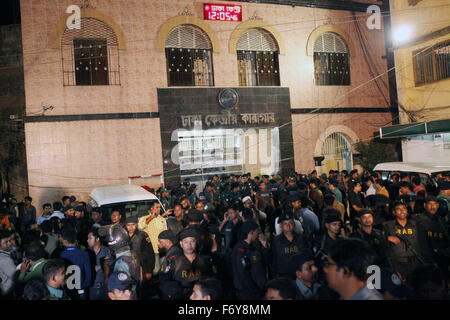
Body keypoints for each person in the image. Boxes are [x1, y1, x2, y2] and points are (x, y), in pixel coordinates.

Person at [383, 201, 433, 283]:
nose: (402, 211)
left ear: (407, 211)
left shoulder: (416, 224)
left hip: (416, 262)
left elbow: (424, 244)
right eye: (398, 209)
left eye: (404, 209)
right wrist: (387, 237)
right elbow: (384, 247)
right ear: (394, 212)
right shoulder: (388, 226)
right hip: (398, 264)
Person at [159, 228, 214, 300]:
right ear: (181, 244)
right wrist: (182, 290)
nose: (189, 245)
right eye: (186, 242)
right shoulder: (172, 261)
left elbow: (211, 281)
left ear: (196, 242)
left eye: (192, 241)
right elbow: (164, 282)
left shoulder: (205, 260)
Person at [415, 196, 450, 280]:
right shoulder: (418, 221)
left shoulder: (441, 221)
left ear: (438, 205)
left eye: (434, 204)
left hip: (442, 260)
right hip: (426, 261)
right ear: (425, 205)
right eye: (430, 204)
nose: (432, 207)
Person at [231, 220, 267, 300]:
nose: (258, 235)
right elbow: (244, 274)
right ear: (251, 233)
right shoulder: (241, 251)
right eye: (257, 232)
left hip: (252, 291)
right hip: (249, 293)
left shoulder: (250, 247)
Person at [271, 212, 306, 278]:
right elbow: (274, 262)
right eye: (285, 224)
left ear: (294, 224)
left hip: (300, 276)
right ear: (281, 226)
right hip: (284, 277)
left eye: (290, 223)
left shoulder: (302, 239)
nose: (288, 226)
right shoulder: (276, 241)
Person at [60, 228, 92, 300]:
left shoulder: (62, 255)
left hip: (68, 288)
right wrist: (85, 285)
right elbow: (88, 273)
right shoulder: (84, 254)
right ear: (75, 240)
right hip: (81, 287)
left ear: (65, 242)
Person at [138, 201, 167, 275]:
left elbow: (165, 234)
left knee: (164, 270)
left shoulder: (162, 219)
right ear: (152, 209)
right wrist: (151, 217)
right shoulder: (145, 218)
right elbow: (140, 227)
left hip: (162, 249)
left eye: (159, 207)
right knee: (155, 270)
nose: (159, 209)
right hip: (152, 251)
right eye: (156, 207)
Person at [87, 228, 111, 300]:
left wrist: (100, 267)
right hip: (92, 288)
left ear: (97, 239)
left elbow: (111, 266)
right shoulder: (86, 252)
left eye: (90, 238)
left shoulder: (107, 251)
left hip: (105, 288)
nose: (87, 240)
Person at [0, 229, 16, 297]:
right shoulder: (4, 260)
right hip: (8, 290)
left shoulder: (5, 253)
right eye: (6, 242)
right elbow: (15, 276)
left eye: (9, 240)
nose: (9, 243)